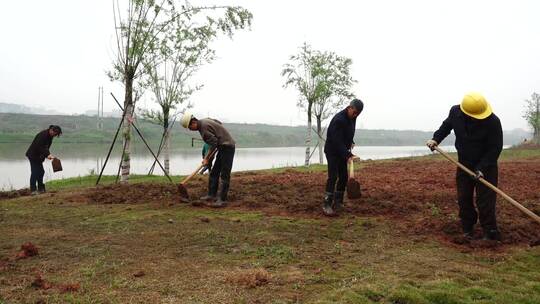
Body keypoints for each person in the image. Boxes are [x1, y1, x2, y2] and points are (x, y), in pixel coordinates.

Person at [427, 92, 503, 241]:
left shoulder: (493, 121)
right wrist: (436, 139)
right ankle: (467, 227)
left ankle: (490, 231)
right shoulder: (455, 112)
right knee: (464, 198)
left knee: (485, 201)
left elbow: (495, 148)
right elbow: (446, 126)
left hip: (486, 165)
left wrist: (481, 168)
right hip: (464, 162)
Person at [181, 113, 235, 207]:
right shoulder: (205, 121)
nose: (190, 130)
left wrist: (206, 158)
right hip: (222, 146)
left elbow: (213, 143)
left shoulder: (204, 129)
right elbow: (218, 122)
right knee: (214, 172)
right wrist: (219, 134)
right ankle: (211, 195)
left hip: (228, 146)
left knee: (224, 174)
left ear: (193, 122)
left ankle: (222, 200)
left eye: (190, 127)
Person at [323, 99, 364, 216]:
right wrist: (349, 155)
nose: (356, 115)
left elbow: (348, 132)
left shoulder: (353, 118)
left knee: (344, 177)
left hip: (342, 151)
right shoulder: (339, 120)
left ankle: (338, 202)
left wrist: (351, 141)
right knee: (333, 176)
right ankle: (326, 204)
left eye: (358, 114)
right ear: (349, 107)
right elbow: (337, 141)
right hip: (332, 151)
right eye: (354, 112)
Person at [25, 125, 62, 194]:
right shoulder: (43, 135)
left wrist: (47, 155)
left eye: (56, 135)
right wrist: (48, 155)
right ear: (51, 130)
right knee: (35, 172)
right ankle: (33, 190)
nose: (55, 135)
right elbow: (40, 147)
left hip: (39, 157)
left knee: (41, 172)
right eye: (55, 134)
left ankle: (40, 189)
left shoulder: (50, 136)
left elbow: (46, 147)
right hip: (33, 156)